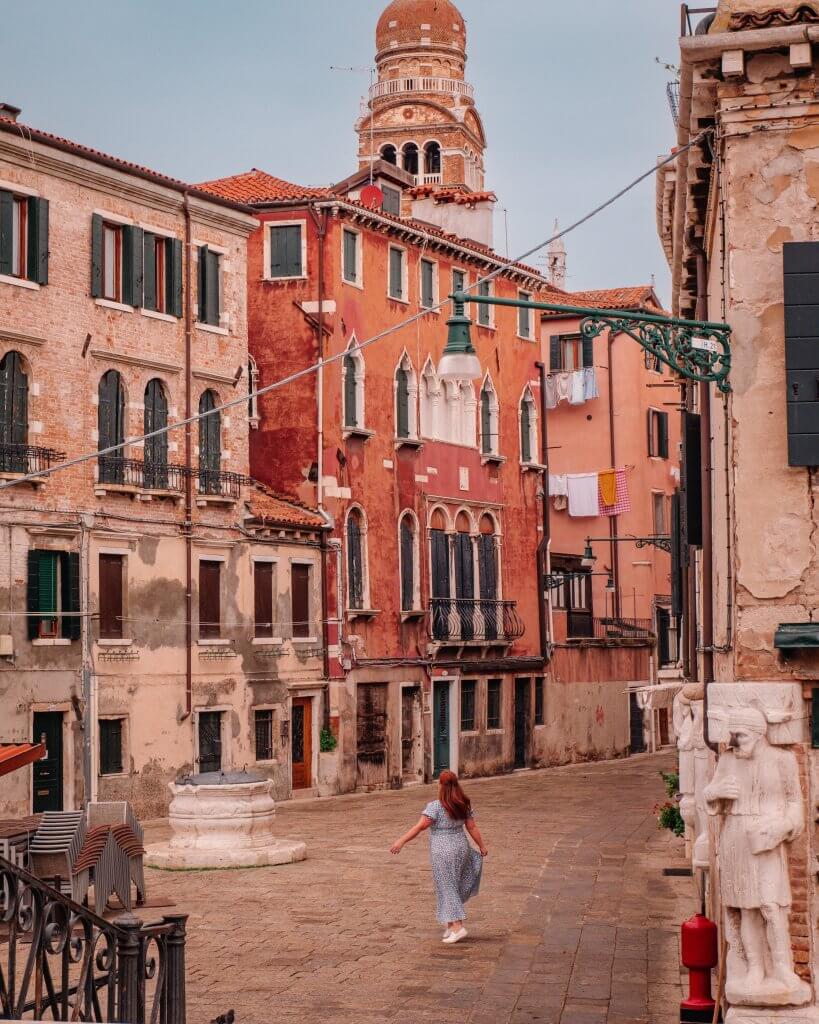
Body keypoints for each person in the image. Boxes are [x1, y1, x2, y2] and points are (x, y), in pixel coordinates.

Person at [390, 770, 487, 944]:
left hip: (443, 850)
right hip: (461, 846)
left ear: (441, 785)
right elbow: (472, 828)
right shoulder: (463, 804)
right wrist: (481, 846)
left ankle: (458, 927)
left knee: (446, 886)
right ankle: (450, 926)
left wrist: (401, 841)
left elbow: (420, 827)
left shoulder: (436, 806)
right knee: (451, 885)